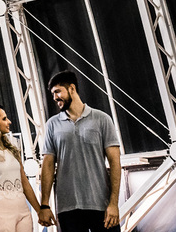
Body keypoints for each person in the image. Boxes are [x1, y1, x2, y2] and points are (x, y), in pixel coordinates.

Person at [38, 71, 122, 232]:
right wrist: (45, 205)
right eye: (53, 94)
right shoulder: (52, 125)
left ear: (72, 89)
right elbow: (47, 166)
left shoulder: (102, 119)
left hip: (102, 206)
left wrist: (113, 204)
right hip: (68, 208)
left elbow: (115, 163)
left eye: (57, 91)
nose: (55, 97)